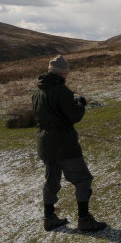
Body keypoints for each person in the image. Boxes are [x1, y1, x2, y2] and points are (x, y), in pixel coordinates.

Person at [32, 55, 107, 232]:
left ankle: (49, 218)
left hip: (45, 144)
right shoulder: (62, 90)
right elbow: (73, 116)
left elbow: (49, 114)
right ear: (63, 72)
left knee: (51, 181)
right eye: (67, 71)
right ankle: (84, 220)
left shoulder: (37, 92)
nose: (68, 75)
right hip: (64, 144)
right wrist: (80, 104)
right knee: (83, 179)